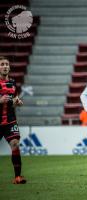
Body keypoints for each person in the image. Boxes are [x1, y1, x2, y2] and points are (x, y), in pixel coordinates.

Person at [0, 56, 26, 184]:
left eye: (6, 64)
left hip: (10, 120)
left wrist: (18, 102)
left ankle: (17, 177)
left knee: (15, 144)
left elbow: (14, 99)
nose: (5, 66)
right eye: (2, 64)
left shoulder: (13, 83)